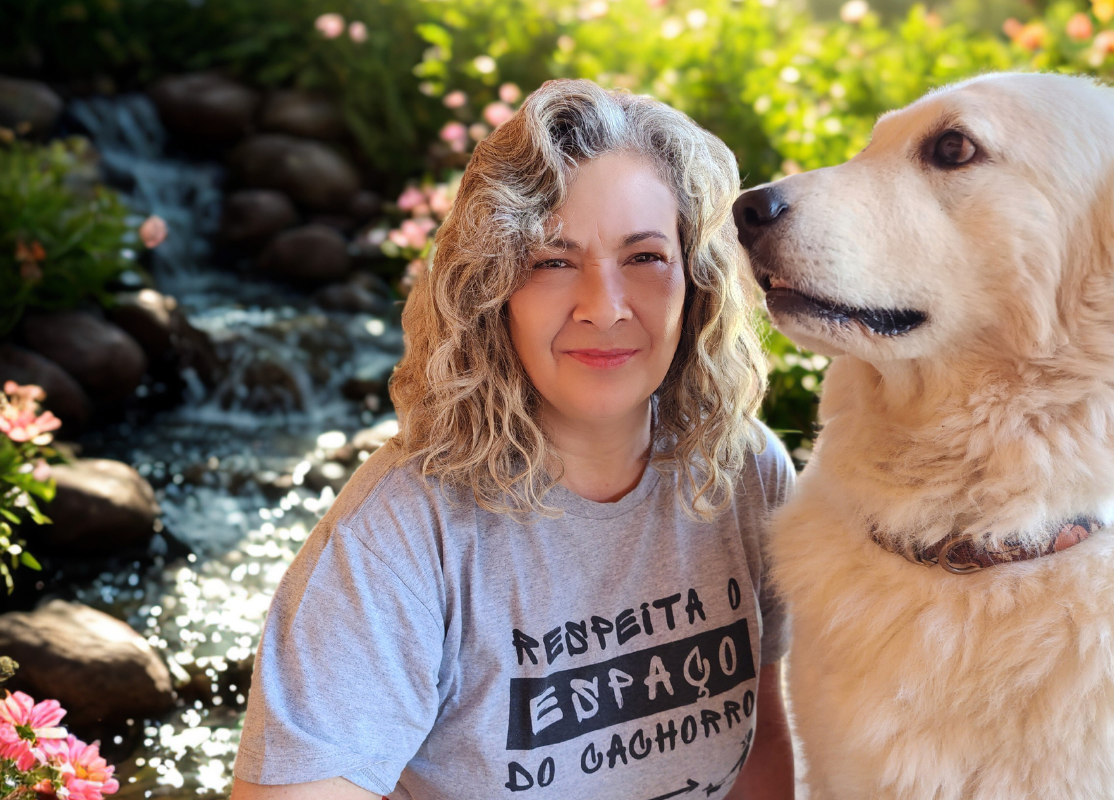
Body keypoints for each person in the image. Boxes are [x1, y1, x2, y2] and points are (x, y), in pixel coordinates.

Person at [230, 79, 796, 800]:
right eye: (552, 261)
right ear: (493, 289)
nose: (604, 306)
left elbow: (765, 744)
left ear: (698, 284)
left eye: (645, 256)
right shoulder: (402, 534)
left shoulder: (746, 472)